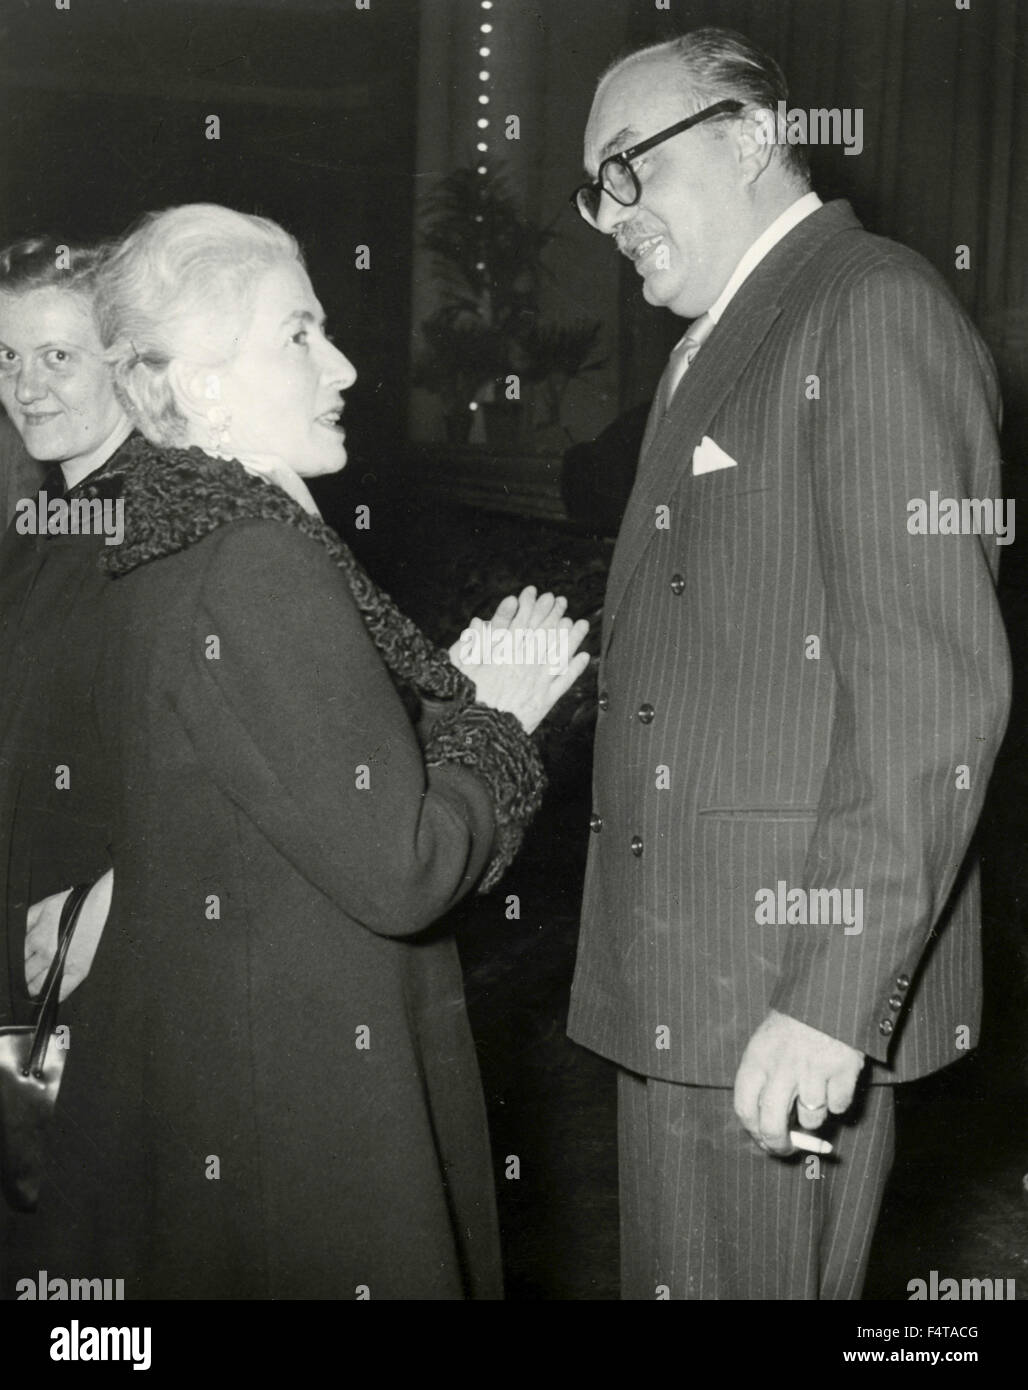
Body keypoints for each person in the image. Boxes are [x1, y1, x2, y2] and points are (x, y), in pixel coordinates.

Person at [1, 203, 588, 1301]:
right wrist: (498, 726)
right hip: (312, 1101)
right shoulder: (255, 560)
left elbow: (264, 778)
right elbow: (402, 870)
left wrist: (432, 709)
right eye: (298, 334)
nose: (346, 364)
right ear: (203, 383)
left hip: (234, 1087)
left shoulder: (163, 535)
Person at [566, 28, 1010, 1299]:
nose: (611, 214)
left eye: (629, 166)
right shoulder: (718, 341)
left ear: (754, 136)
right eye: (593, 189)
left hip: (778, 985)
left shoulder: (869, 307)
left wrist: (830, 997)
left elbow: (930, 698)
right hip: (688, 970)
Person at [0, 239, 133, 1039]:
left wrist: (123, 898)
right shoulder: (48, 518)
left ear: (125, 361)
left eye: (57, 356)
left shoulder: (166, 522)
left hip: (95, 968)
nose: (24, 388)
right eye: (6, 357)